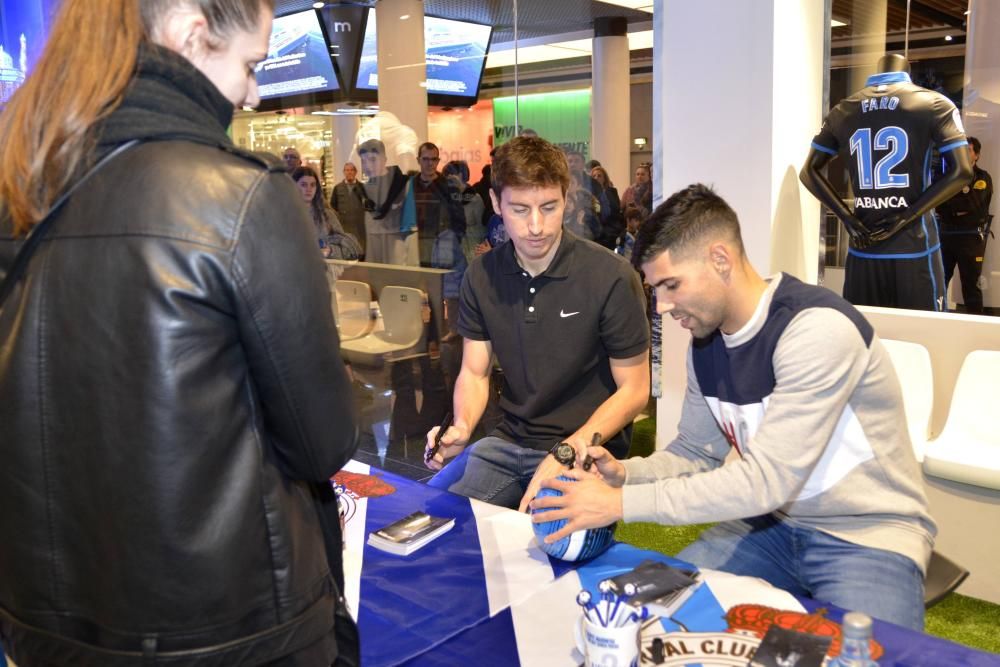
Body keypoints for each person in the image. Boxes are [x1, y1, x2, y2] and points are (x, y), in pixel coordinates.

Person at [0, 1, 360, 664]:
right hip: (238, 631)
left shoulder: (20, 187)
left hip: (47, 630)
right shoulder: (240, 197)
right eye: (250, 65)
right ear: (190, 34)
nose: (253, 92)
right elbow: (323, 441)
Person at [531, 184, 936, 632]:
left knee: (871, 657)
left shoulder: (816, 330)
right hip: (771, 529)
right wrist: (626, 474)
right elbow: (696, 453)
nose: (661, 307)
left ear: (720, 260)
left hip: (867, 536)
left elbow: (767, 481)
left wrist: (619, 503)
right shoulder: (705, 343)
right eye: (655, 290)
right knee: (641, 617)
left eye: (670, 285)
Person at [423, 136, 650, 512]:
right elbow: (475, 373)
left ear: (566, 198)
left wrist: (568, 450)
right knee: (429, 515)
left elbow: (635, 390)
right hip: (508, 441)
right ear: (496, 203)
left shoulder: (610, 276)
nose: (536, 226)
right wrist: (461, 427)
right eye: (519, 209)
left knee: (551, 542)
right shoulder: (482, 275)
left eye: (549, 207)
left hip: (586, 449)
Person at [800, 54, 972, 311]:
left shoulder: (844, 109)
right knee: (925, 335)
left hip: (863, 246)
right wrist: (906, 216)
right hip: (914, 247)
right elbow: (962, 172)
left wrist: (849, 220)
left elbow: (808, 172)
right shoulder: (934, 103)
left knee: (865, 336)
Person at [936, 136, 993, 314]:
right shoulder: (948, 177)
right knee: (940, 281)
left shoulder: (982, 178)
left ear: (977, 155)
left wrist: (950, 204)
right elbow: (939, 205)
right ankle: (936, 317)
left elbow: (971, 205)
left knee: (971, 284)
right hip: (946, 236)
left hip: (970, 239)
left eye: (968, 149)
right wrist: (955, 207)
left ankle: (977, 326)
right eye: (961, 149)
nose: (964, 152)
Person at [357, 137, 418, 266]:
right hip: (374, 248)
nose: (367, 165)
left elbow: (411, 227)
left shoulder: (403, 185)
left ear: (384, 160)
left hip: (397, 246)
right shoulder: (365, 190)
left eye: (373, 159)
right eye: (364, 161)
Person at [292, 165, 361, 260]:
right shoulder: (285, 215)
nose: (309, 189)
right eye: (303, 184)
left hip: (323, 268)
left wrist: (329, 250)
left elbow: (347, 246)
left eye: (313, 185)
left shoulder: (326, 215)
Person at [412, 142, 465, 266]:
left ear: (438, 160)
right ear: (418, 160)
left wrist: (452, 242)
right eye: (425, 159)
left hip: (442, 246)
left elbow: (459, 220)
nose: (430, 163)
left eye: (434, 159)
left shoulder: (449, 186)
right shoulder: (410, 186)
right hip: (415, 246)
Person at [330, 161, 367, 257]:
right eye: (347, 170)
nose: (349, 172)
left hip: (360, 227)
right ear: (344, 172)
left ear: (355, 172)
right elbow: (332, 207)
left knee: (361, 251)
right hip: (344, 226)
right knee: (346, 252)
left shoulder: (363, 187)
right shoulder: (337, 188)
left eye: (351, 170)